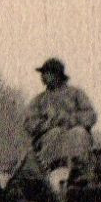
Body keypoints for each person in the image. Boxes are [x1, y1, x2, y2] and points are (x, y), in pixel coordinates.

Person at [23, 58, 97, 192]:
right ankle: (50, 171)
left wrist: (70, 120)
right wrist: (47, 124)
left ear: (56, 75)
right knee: (54, 134)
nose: (42, 77)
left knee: (79, 133)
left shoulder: (76, 94)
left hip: (74, 137)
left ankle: (79, 170)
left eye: (46, 73)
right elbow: (29, 123)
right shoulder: (39, 100)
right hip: (48, 141)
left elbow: (90, 115)